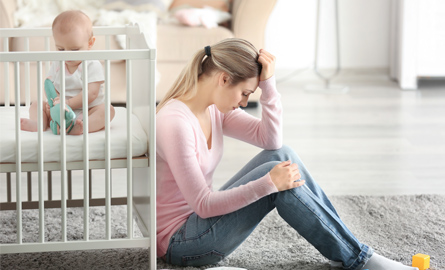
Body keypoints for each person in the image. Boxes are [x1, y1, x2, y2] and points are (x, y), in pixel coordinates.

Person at [155, 38, 418, 270]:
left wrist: (269, 85)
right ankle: (358, 258)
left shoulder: (212, 108)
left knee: (282, 155)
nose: (245, 103)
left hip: (200, 224)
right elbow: (203, 204)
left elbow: (271, 141)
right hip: (182, 243)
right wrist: (268, 185)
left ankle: (347, 246)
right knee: (278, 179)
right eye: (245, 93)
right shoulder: (176, 122)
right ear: (223, 78)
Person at [20, 10, 115, 135]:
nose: (67, 54)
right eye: (60, 49)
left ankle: (81, 126)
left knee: (108, 110)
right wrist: (53, 102)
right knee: (36, 105)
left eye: (74, 49)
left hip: (87, 109)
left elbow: (91, 93)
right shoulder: (58, 64)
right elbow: (50, 85)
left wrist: (68, 103)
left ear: (90, 43)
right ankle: (40, 123)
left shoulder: (92, 64)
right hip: (61, 110)